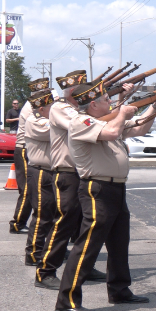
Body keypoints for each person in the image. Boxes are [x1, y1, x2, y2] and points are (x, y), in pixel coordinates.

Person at [55, 81, 156, 311]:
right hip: (97, 188)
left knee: (119, 243)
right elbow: (112, 132)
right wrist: (123, 113)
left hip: (116, 188)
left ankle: (119, 290)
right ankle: (66, 300)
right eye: (106, 99)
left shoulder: (106, 120)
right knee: (87, 246)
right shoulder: (82, 121)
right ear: (93, 104)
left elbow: (139, 128)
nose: (111, 101)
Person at [35, 70, 108, 289]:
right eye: (84, 89)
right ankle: (45, 271)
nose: (89, 93)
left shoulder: (77, 109)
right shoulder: (60, 108)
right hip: (67, 172)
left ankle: (85, 267)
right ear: (73, 92)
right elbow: (83, 124)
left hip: (82, 172)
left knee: (83, 225)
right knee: (64, 223)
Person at [23, 89, 58, 267]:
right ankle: (33, 253)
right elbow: (55, 129)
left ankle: (47, 248)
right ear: (42, 108)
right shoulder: (34, 120)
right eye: (52, 105)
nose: (55, 108)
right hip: (40, 171)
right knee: (42, 215)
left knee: (53, 215)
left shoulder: (47, 118)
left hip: (51, 171)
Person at [8, 77, 48, 234]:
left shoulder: (34, 105)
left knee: (31, 189)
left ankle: (20, 222)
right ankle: (17, 223)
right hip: (24, 148)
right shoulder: (33, 106)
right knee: (27, 189)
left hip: (28, 148)